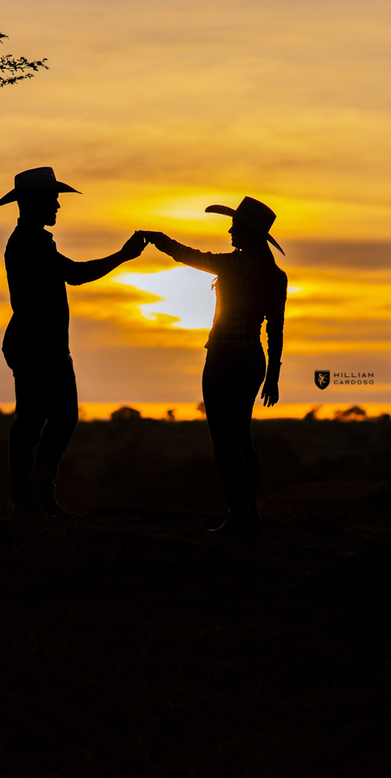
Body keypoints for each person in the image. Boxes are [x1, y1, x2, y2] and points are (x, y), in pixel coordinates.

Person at [0, 166, 147, 518]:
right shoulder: (28, 243)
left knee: (59, 420)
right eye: (53, 200)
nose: (58, 207)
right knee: (32, 424)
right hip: (36, 347)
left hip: (49, 347)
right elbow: (76, 275)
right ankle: (28, 500)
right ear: (33, 203)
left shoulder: (36, 241)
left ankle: (38, 496)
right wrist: (123, 256)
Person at [142, 197, 288, 536]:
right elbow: (275, 330)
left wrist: (157, 238)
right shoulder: (275, 276)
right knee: (243, 436)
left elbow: (188, 256)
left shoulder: (235, 266)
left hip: (224, 357)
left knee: (224, 440)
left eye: (235, 226)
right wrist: (274, 375)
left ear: (248, 232)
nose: (230, 230)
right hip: (254, 360)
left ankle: (238, 515)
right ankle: (250, 511)